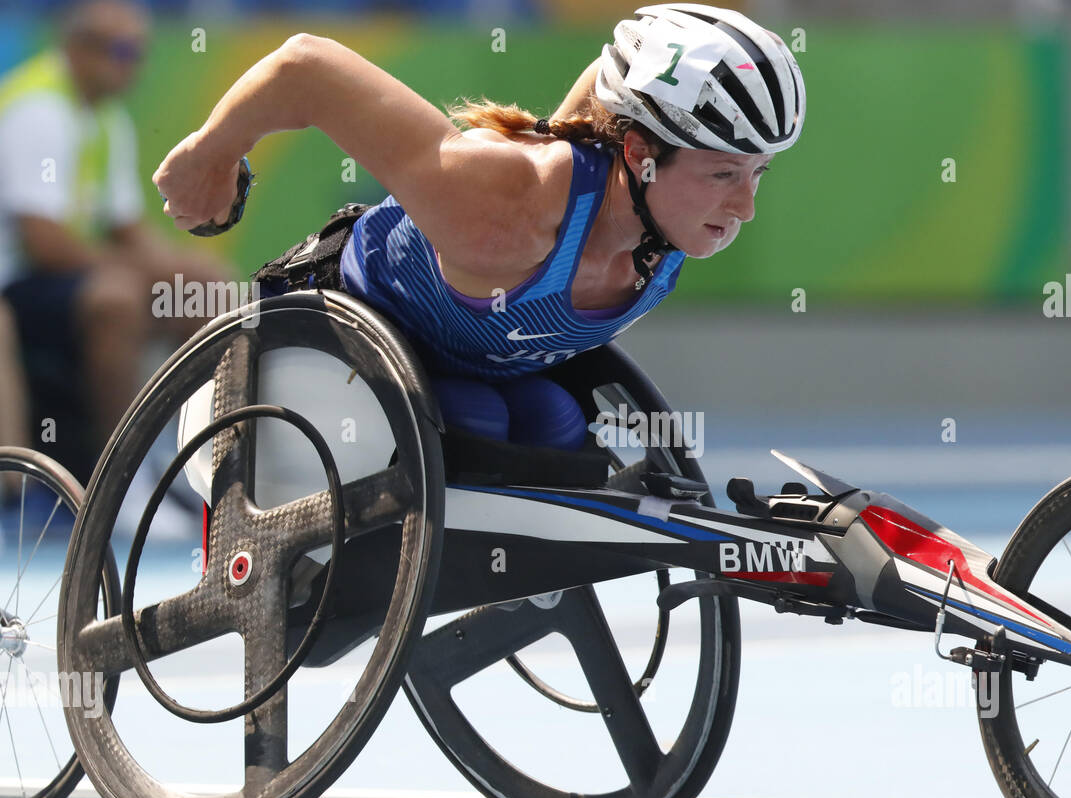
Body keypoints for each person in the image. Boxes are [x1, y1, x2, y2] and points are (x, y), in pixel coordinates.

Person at [151, 3, 805, 448]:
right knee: (475, 420)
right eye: (723, 175)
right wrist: (210, 156)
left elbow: (606, 94)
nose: (744, 207)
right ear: (641, 154)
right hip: (318, 353)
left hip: (468, 370)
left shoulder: (658, 220)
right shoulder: (501, 205)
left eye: (759, 174)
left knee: (550, 425)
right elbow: (306, 67)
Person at [0, 0, 232, 483]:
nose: (133, 65)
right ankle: (123, 480)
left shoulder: (105, 118)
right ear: (80, 49)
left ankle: (206, 467)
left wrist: (184, 269)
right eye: (123, 51)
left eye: (138, 52)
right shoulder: (37, 109)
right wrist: (146, 272)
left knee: (208, 290)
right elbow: (44, 244)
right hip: (17, 284)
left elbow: (127, 229)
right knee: (118, 296)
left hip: (58, 277)